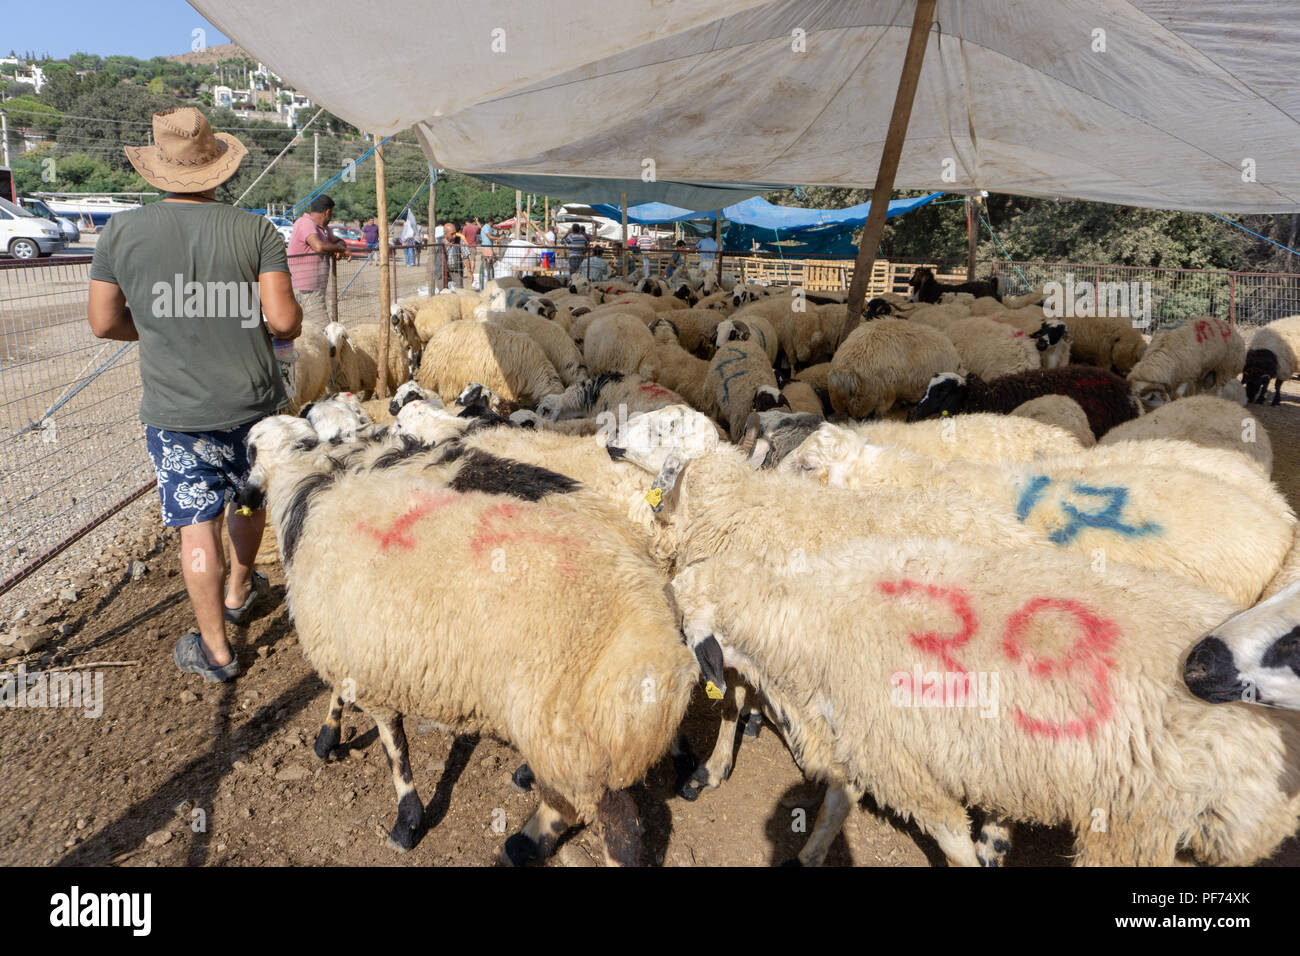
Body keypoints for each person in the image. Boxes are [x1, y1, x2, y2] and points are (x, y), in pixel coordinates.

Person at [87, 107, 303, 684]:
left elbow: (104, 323)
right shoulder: (255, 229)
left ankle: (217, 651)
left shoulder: (120, 231)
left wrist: (158, 324)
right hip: (253, 405)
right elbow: (283, 322)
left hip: (177, 415)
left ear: (158, 169)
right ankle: (239, 588)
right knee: (250, 499)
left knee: (195, 526)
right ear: (217, 169)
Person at [288, 194, 350, 329]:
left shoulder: (323, 228)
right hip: (305, 289)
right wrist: (341, 249)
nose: (331, 216)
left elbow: (338, 241)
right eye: (331, 213)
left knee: (307, 329)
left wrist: (340, 246)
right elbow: (319, 246)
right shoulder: (305, 223)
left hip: (314, 289)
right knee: (324, 330)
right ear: (327, 212)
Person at [479, 221, 495, 286]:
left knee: (490, 262)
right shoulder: (486, 227)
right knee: (488, 262)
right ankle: (488, 279)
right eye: (492, 222)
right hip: (487, 247)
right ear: (490, 222)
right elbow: (489, 236)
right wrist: (498, 238)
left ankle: (489, 278)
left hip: (488, 246)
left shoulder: (486, 227)